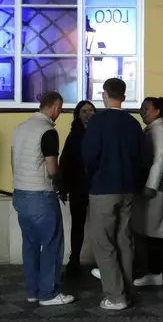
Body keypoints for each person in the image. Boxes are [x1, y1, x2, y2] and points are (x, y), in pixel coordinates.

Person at [83, 78, 143, 310]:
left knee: (104, 243)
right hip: (128, 188)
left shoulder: (97, 121)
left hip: (103, 189)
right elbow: (141, 157)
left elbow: (89, 155)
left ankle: (116, 296)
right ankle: (127, 291)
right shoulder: (133, 123)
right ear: (124, 97)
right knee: (125, 241)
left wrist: (93, 175)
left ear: (104, 94)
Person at [11, 91, 75, 306]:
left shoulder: (20, 129)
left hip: (20, 193)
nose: (60, 113)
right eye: (61, 108)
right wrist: (59, 182)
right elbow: (51, 169)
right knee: (51, 244)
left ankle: (33, 291)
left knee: (29, 245)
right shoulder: (47, 131)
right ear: (56, 106)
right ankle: (48, 294)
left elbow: (14, 162)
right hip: (41, 195)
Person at [132, 97, 163, 287]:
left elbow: (160, 160)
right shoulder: (153, 129)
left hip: (155, 190)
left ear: (157, 111)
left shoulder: (159, 131)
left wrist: (151, 186)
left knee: (154, 232)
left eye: (145, 108)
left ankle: (155, 272)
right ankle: (150, 270)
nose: (142, 112)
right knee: (148, 230)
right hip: (151, 188)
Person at [59, 100, 96, 279]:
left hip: (97, 187)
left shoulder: (100, 133)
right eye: (84, 111)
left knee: (101, 226)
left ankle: (102, 262)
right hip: (78, 187)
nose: (88, 113)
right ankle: (74, 261)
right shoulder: (74, 135)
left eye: (91, 110)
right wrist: (63, 187)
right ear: (78, 114)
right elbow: (65, 162)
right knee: (77, 226)